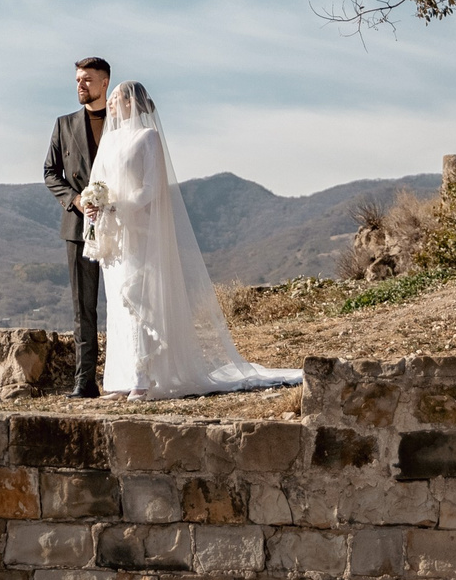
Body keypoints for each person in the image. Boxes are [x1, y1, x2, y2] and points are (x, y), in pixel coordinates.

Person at [75, 79, 303, 401]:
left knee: (139, 301)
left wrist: (118, 206)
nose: (109, 103)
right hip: (116, 238)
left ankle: (144, 378)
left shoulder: (147, 137)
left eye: (115, 97)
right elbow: (97, 182)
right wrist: (93, 204)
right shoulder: (109, 142)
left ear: (131, 102)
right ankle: (123, 378)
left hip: (140, 231)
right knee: (119, 306)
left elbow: (151, 188)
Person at [41, 57, 111, 397]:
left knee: (127, 301)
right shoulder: (64, 124)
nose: (80, 85)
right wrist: (75, 199)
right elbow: (50, 172)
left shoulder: (122, 122)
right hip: (77, 226)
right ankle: (85, 381)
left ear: (104, 83)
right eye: (77, 80)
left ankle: (132, 376)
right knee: (83, 307)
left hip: (121, 226)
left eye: (87, 80)